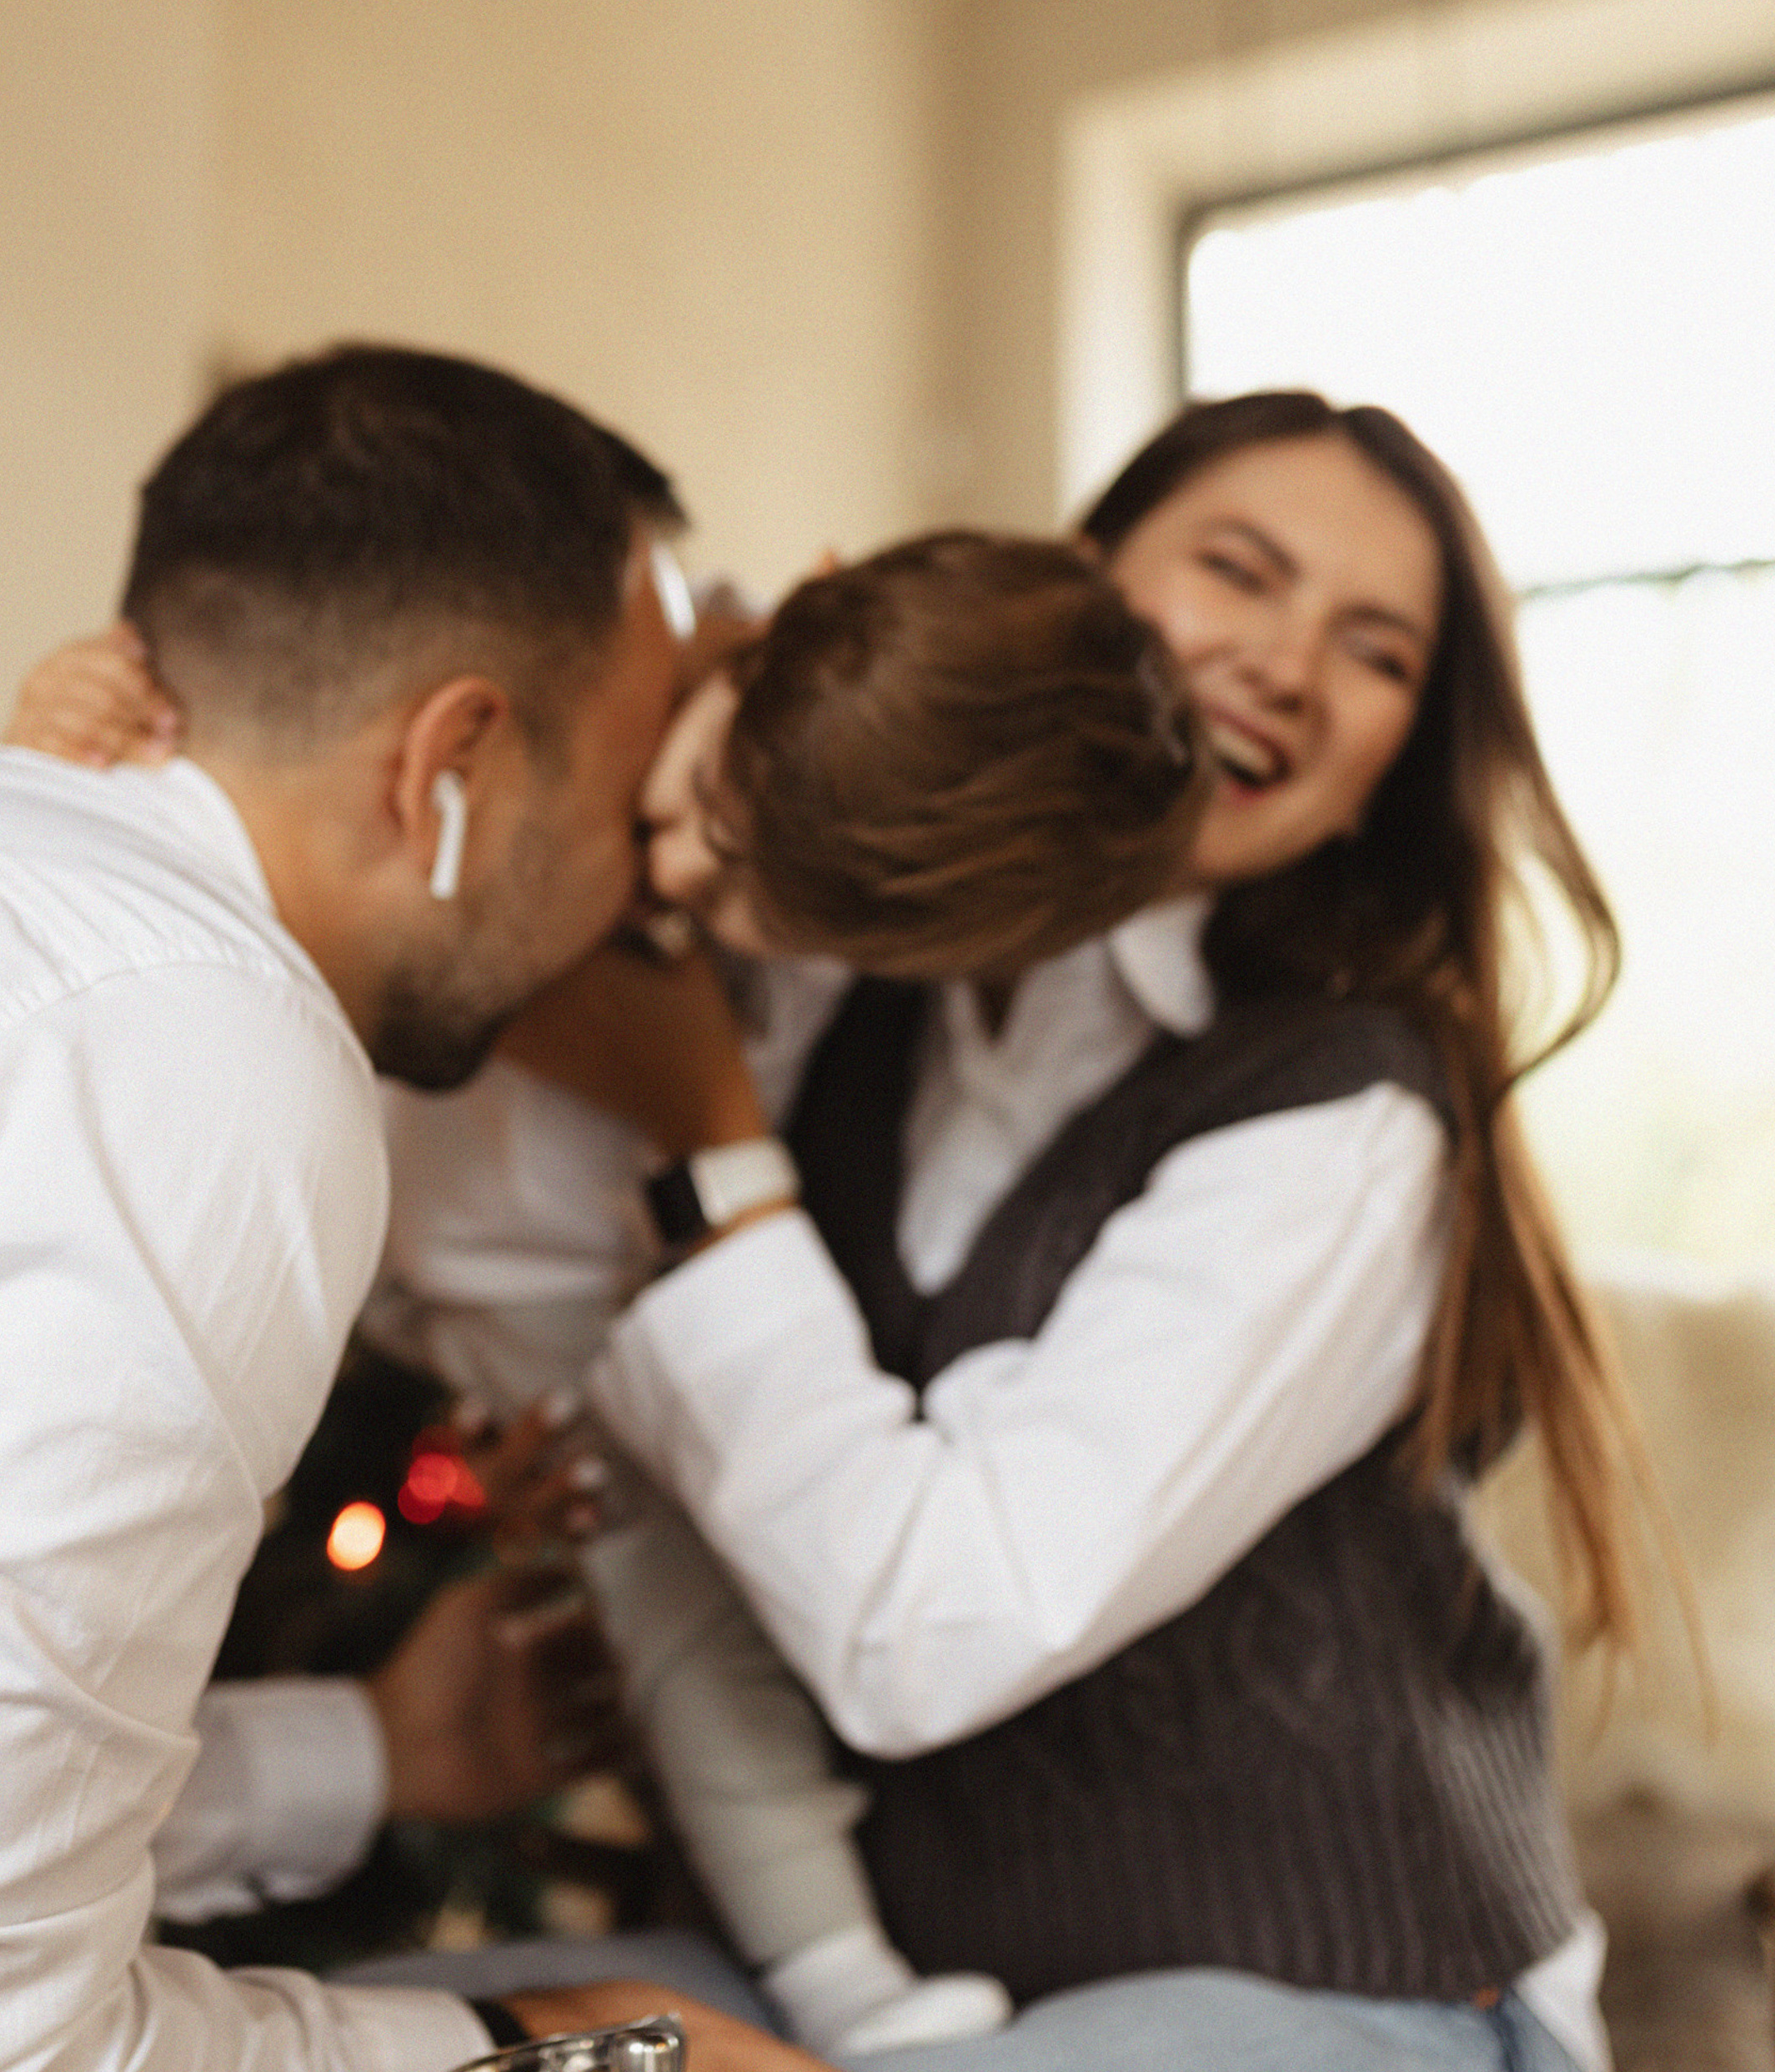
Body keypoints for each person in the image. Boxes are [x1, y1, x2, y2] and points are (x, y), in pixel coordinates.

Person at [0, 342, 827, 2072]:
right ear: (458, 764)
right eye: (625, 801)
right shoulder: (206, 1044)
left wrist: (363, 1752)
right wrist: (539, 2041)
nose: (644, 887)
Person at [7, 533, 1210, 2054]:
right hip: (316, 1214)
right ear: (768, 640)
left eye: (775, 905)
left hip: (574, 1285)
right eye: (708, 813)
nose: (690, 879)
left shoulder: (898, 856)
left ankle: (836, 1971)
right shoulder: (599, 656)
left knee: (684, 1635)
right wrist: (80, 731)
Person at [565, 394, 1641, 2071]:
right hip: (897, 1977)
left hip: (1344, 1983)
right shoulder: (847, 982)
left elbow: (931, 1626)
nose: (1282, 663)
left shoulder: (1345, 1109)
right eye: (1235, 570)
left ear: (1386, 772)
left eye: (1373, 651)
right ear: (1059, 596)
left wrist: (703, 1130)